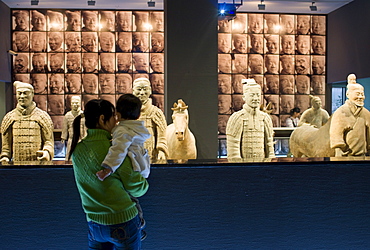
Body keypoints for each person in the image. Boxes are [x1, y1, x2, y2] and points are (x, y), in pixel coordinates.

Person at [69, 98, 148, 248]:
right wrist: (144, 182)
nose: (116, 122)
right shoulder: (114, 150)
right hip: (123, 221)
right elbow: (137, 188)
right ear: (102, 119)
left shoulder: (77, 150)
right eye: (113, 117)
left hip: (94, 224)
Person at [96, 93, 151, 182]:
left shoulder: (122, 130)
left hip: (133, 169)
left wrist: (108, 168)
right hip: (143, 167)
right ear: (138, 115)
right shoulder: (138, 129)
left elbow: (118, 149)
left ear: (118, 114)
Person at [0, 81, 54, 162]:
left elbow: (48, 141)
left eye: (25, 93)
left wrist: (47, 152)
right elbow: (6, 147)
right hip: (17, 166)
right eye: (19, 93)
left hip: (38, 165)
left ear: (32, 94)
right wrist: (5, 157)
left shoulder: (42, 116)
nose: (22, 96)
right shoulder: (9, 117)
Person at [226, 79, 275, 159]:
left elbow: (269, 144)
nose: (256, 98)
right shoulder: (237, 117)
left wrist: (271, 164)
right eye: (252, 95)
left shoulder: (265, 118)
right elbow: (233, 147)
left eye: (258, 95)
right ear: (244, 97)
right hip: (244, 166)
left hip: (262, 165)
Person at [330, 81, 370, 156]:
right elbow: (335, 133)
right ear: (348, 94)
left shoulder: (366, 113)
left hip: (362, 154)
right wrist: (338, 148)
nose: (360, 97)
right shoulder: (341, 112)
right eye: (357, 94)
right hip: (345, 154)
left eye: (362, 94)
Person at [132, 77, 168, 161]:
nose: (142, 93)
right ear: (133, 91)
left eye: (145, 89)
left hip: (151, 156)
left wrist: (161, 150)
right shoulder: (128, 112)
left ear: (150, 90)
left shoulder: (155, 112)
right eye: (139, 89)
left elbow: (162, 135)